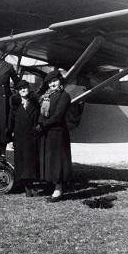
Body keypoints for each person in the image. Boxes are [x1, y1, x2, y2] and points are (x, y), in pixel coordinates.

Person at [34, 70, 72, 202]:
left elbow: (58, 116)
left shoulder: (64, 96)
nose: (52, 84)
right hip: (48, 132)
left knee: (57, 162)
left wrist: (43, 125)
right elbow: (42, 113)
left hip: (58, 132)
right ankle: (55, 187)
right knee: (50, 161)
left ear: (60, 81)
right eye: (50, 82)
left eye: (54, 81)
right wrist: (39, 123)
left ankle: (58, 190)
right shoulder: (47, 96)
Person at [7, 80, 41, 197]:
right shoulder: (15, 104)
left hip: (32, 135)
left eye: (25, 88)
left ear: (29, 88)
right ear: (17, 91)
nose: (23, 90)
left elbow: (38, 118)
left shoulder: (36, 102)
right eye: (20, 89)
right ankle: (27, 186)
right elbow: (10, 121)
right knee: (23, 161)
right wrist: (10, 137)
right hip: (20, 136)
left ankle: (31, 184)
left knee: (31, 161)